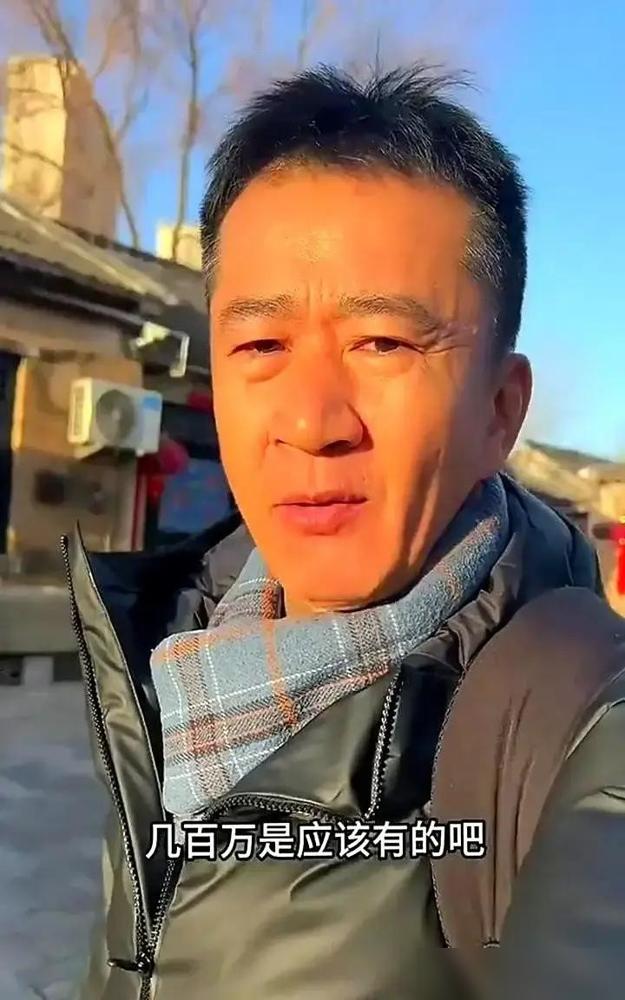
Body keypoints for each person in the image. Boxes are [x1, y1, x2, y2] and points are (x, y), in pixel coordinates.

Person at [64, 66, 625, 1000]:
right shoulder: (170, 661)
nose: (311, 421)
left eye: (383, 344)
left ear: (499, 409)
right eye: (260, 347)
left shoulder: (580, 734)